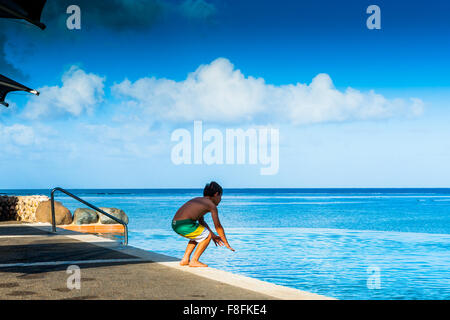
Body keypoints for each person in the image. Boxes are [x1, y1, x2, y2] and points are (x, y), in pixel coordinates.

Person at [171, 181, 235, 267]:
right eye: (221, 196)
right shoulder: (211, 205)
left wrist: (213, 235)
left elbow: (201, 222)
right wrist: (226, 243)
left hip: (176, 224)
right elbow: (218, 226)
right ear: (216, 194)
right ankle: (194, 260)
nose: (221, 199)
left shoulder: (199, 200)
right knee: (205, 235)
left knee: (198, 235)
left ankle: (185, 259)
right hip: (184, 224)